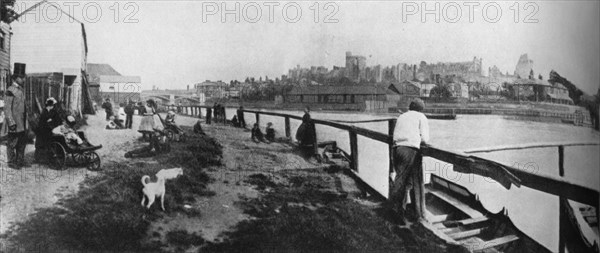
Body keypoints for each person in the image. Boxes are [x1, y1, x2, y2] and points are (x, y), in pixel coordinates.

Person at [388, 99, 429, 222]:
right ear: (421, 109)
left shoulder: (402, 116)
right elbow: (426, 139)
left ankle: (400, 210)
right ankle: (396, 212)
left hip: (396, 149)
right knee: (403, 181)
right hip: (409, 149)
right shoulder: (421, 117)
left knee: (403, 179)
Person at [1, 63, 29, 168]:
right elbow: (7, 108)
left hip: (21, 123)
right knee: (12, 143)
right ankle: (12, 162)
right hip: (14, 123)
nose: (23, 80)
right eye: (21, 78)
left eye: (23, 77)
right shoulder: (10, 91)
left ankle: (19, 161)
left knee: (21, 143)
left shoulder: (20, 90)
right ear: (16, 78)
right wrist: (11, 122)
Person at [34, 97, 62, 162]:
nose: (52, 106)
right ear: (49, 105)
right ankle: (40, 156)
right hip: (44, 129)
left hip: (52, 127)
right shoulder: (44, 112)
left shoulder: (54, 111)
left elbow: (58, 119)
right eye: (51, 105)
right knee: (42, 142)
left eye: (52, 105)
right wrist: (48, 121)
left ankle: (53, 152)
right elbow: (41, 122)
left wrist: (53, 121)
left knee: (55, 135)